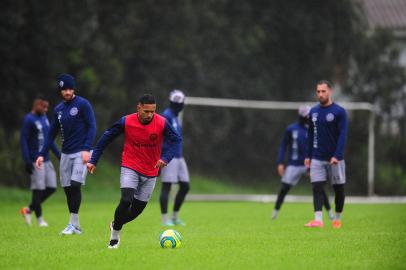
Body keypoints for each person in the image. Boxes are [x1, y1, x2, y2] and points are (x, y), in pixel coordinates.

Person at [87, 94, 181, 249]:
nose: (150, 115)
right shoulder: (127, 121)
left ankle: (114, 223)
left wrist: (165, 158)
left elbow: (176, 140)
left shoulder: (162, 122)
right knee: (126, 200)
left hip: (151, 171)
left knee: (137, 211)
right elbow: (106, 137)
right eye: (146, 111)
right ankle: (114, 238)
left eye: (153, 111)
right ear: (138, 108)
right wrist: (93, 159)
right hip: (130, 166)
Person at [35, 74, 96, 235]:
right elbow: (50, 134)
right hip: (66, 154)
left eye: (69, 89)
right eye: (64, 90)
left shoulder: (83, 104)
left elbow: (92, 127)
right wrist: (41, 154)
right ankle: (75, 225)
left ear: (73, 89)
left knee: (75, 185)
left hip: (81, 152)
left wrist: (86, 148)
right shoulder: (58, 110)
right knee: (68, 189)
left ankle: (72, 224)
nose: (67, 92)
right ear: (61, 91)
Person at [272, 105, 333, 220]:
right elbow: (283, 146)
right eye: (307, 116)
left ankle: (330, 213)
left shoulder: (314, 129)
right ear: (301, 116)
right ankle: (275, 212)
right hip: (294, 164)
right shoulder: (291, 129)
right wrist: (280, 162)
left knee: (319, 187)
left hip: (310, 163)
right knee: (284, 188)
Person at [304, 80, 348, 228]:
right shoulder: (313, 112)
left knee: (338, 189)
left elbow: (343, 135)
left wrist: (337, 155)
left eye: (323, 91)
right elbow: (310, 135)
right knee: (317, 187)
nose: (320, 94)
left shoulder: (339, 112)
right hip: (317, 157)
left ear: (330, 92)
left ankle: (337, 218)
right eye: (318, 92)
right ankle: (318, 220)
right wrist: (308, 156)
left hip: (335, 159)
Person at [20, 97, 61, 227]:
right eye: (44, 107)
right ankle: (39, 219)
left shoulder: (44, 118)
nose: (46, 110)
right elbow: (24, 140)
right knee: (38, 190)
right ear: (37, 106)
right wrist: (27, 160)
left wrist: (60, 155)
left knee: (52, 187)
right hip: (34, 159)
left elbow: (50, 140)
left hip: (46, 159)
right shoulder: (28, 119)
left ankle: (28, 209)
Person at [159, 90, 190, 226]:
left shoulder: (176, 117)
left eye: (179, 103)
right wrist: (161, 158)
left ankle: (174, 217)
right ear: (171, 102)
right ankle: (165, 220)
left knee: (185, 186)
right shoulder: (166, 116)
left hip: (179, 156)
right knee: (166, 186)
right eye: (175, 103)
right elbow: (159, 138)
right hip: (169, 157)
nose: (178, 105)